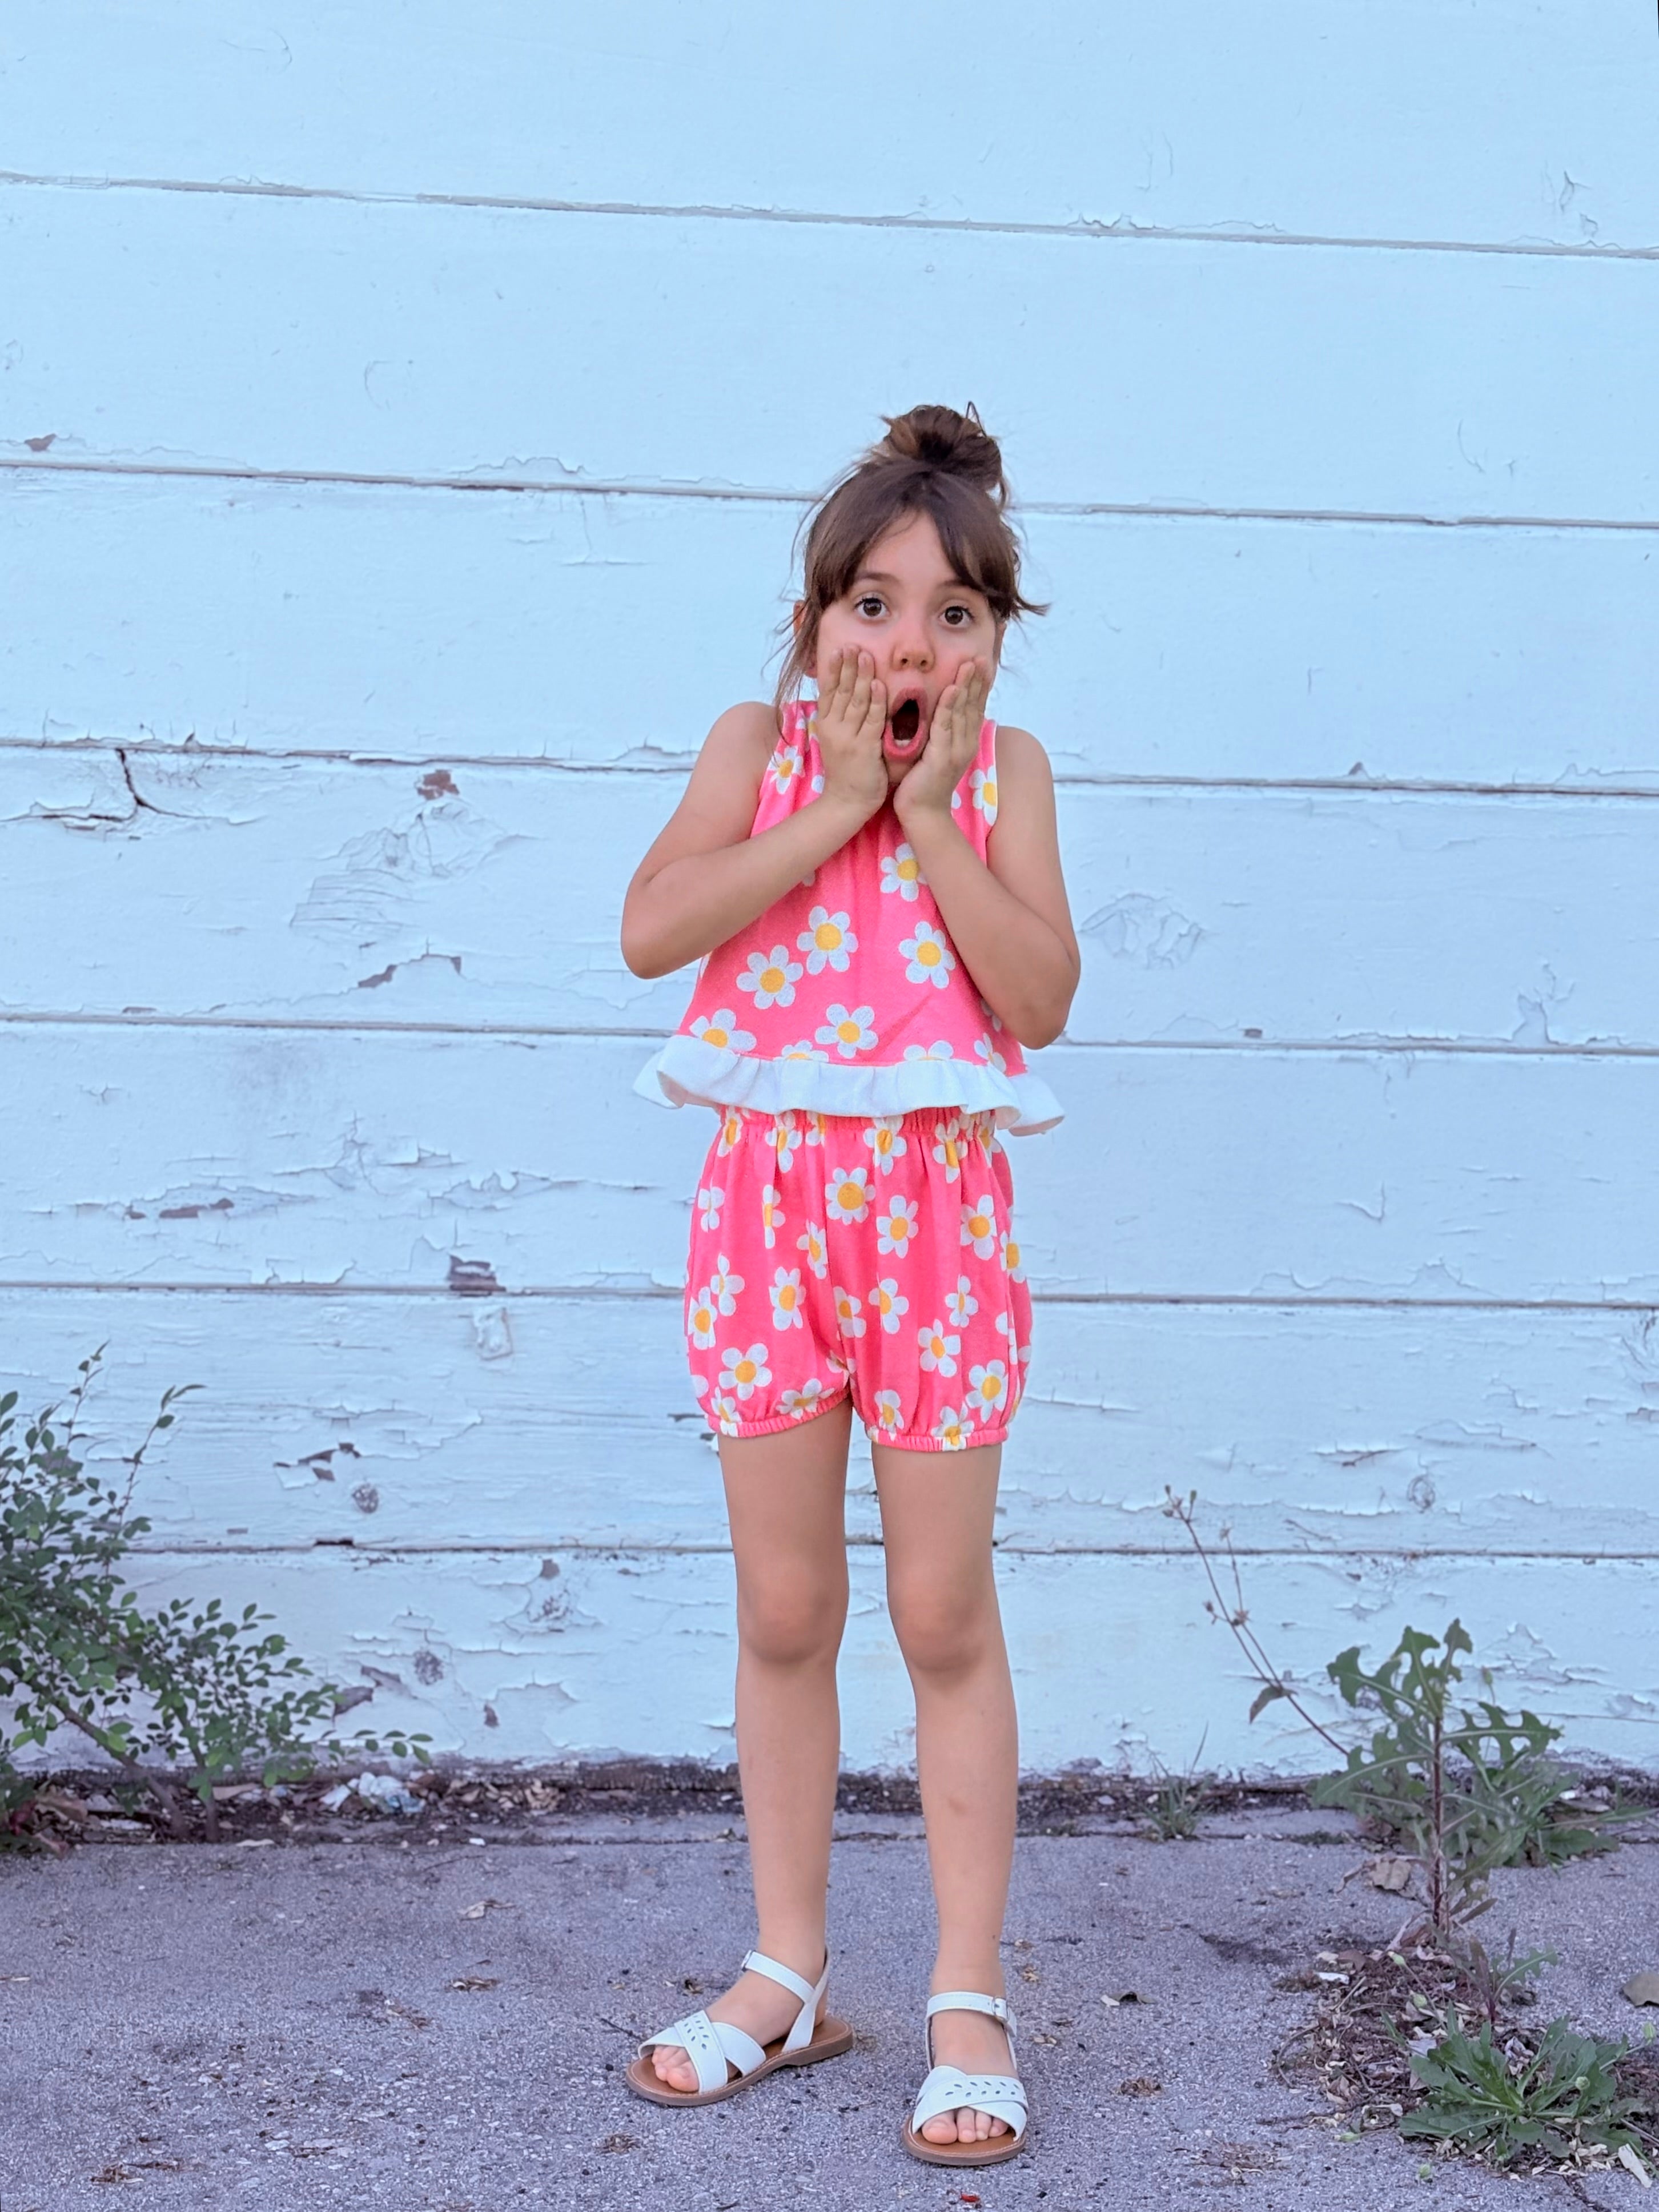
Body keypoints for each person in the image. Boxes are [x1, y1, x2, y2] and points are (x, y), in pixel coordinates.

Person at [617, 403, 1079, 2166]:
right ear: (816, 619)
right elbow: (656, 931)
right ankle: (788, 1970)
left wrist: (935, 816)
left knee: (942, 1612)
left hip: (937, 1226)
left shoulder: (1007, 773)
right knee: (786, 1605)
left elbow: (1034, 998)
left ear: (991, 639)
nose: (908, 639)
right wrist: (828, 806)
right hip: (767, 1219)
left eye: (955, 612)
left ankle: (968, 1989)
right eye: (873, 603)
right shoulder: (755, 747)